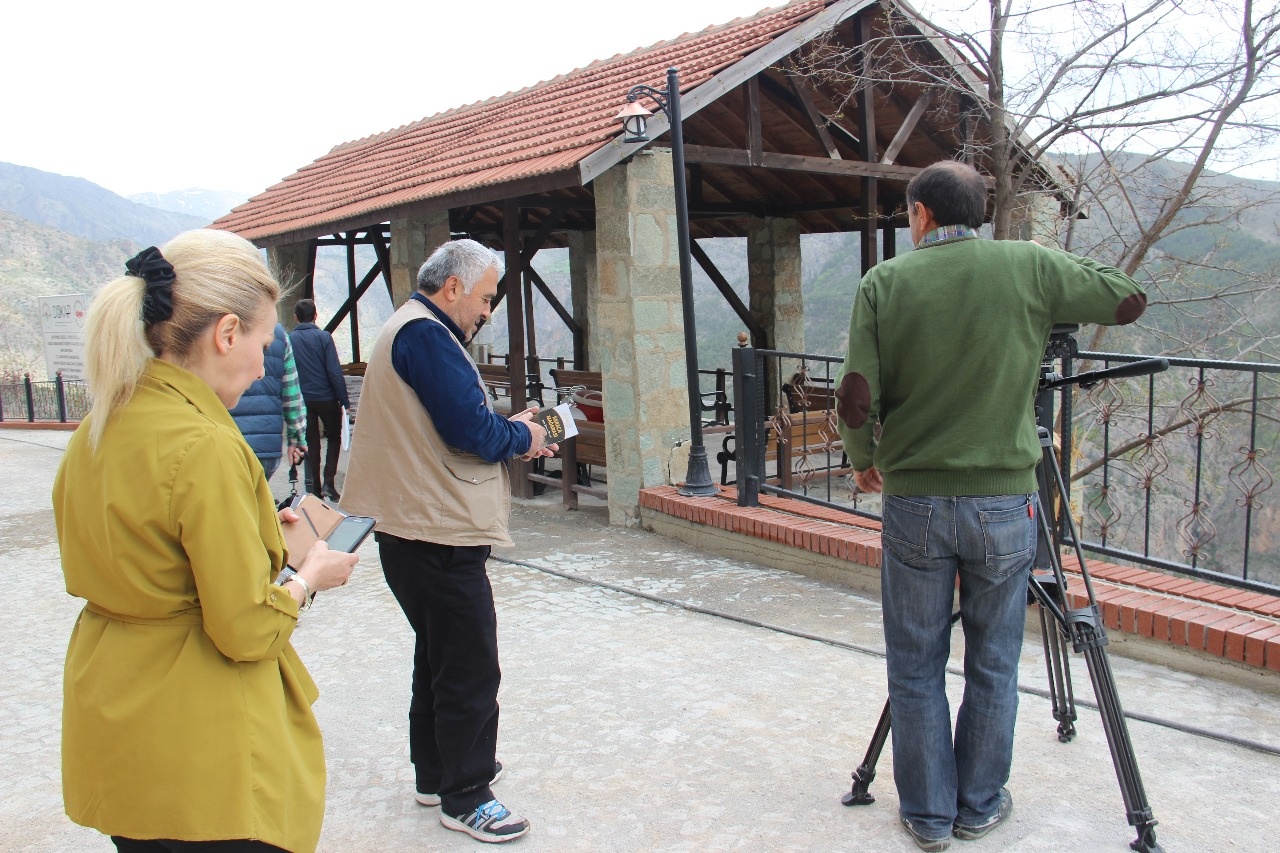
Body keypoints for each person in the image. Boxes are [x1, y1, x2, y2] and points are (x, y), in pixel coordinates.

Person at [834, 161, 1147, 852]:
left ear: (919, 215)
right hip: (1005, 503)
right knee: (995, 659)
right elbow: (1126, 298)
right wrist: (1038, 260)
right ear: (977, 213)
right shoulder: (1025, 267)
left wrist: (862, 459)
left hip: (913, 500)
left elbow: (857, 394)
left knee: (915, 663)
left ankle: (927, 814)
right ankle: (979, 803)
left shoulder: (885, 282)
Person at [52, 230, 359, 853]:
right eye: (264, 343)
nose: (263, 363)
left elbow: (144, 554)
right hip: (199, 744)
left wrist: (262, 536)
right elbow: (245, 628)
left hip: (117, 718)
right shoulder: (208, 447)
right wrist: (307, 576)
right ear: (226, 334)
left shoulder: (102, 423)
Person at [341, 239, 555, 844]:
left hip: (410, 527)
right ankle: (467, 794)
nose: (488, 309)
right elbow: (473, 433)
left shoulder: (407, 329)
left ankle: (436, 774)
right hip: (434, 529)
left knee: (437, 653)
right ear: (454, 288)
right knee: (468, 664)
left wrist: (516, 430)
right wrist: (523, 435)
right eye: (486, 297)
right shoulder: (429, 337)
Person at [229, 321, 307, 481]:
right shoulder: (278, 332)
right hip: (267, 448)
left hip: (228, 445)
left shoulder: (217, 326)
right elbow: (292, 395)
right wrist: (297, 438)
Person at [290, 299, 350, 501]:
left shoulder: (290, 339)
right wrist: (344, 400)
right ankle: (329, 485)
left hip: (303, 399)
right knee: (334, 438)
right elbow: (334, 371)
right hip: (326, 397)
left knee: (311, 442)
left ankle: (314, 489)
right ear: (315, 316)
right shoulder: (323, 337)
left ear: (296, 317)